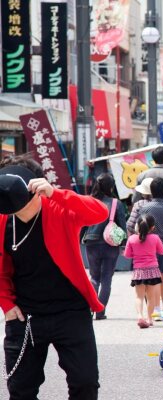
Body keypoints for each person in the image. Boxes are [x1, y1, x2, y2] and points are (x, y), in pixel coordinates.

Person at [0, 155, 108, 399]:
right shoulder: (4, 219)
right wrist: (6, 304)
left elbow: (98, 212)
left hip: (70, 311)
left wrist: (56, 193)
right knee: (20, 389)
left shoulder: (59, 208)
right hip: (25, 315)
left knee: (85, 383)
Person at [83, 173, 127, 320]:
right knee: (106, 278)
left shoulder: (89, 201)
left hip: (91, 242)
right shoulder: (116, 203)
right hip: (110, 244)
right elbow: (122, 224)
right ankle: (100, 312)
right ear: (111, 186)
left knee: (94, 277)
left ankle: (90, 308)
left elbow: (82, 222)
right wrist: (123, 243)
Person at [124, 214, 163, 328]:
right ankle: (149, 319)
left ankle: (139, 316)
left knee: (139, 297)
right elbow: (162, 251)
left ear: (137, 226)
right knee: (151, 297)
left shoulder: (131, 239)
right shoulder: (155, 238)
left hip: (139, 272)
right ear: (152, 227)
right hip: (153, 271)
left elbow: (127, 255)